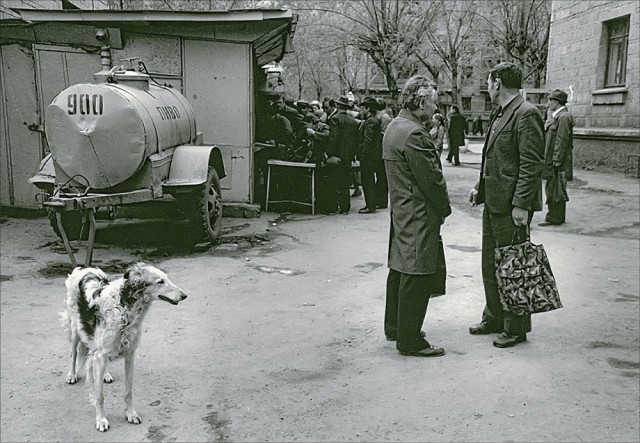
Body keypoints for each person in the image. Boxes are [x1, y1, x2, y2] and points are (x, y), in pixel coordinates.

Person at [468, 62, 545, 348]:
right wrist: (481, 187)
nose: (487, 88)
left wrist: (522, 205)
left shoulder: (527, 113)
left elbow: (531, 164)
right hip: (495, 202)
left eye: (489, 82)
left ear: (498, 83)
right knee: (491, 263)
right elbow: (494, 158)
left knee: (514, 265)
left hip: (512, 207)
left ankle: (516, 327)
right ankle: (495, 316)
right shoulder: (501, 113)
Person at [383, 75, 452, 357]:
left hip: (402, 209)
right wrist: (444, 209)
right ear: (421, 102)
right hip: (418, 211)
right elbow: (432, 180)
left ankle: (395, 327)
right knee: (417, 271)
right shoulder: (415, 133)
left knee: (400, 267)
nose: (436, 109)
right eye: (433, 103)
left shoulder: (395, 126)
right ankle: (409, 339)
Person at [540, 89, 573, 226]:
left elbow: (562, 140)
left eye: (550, 100)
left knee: (556, 188)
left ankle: (555, 217)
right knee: (552, 187)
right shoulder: (556, 116)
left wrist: (557, 161)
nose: (548, 103)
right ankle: (554, 216)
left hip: (557, 161)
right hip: (552, 159)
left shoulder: (564, 117)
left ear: (557, 102)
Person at [326, 95, 360, 214]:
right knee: (345, 181)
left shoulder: (335, 119)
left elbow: (333, 138)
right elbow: (356, 140)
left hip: (336, 155)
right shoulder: (354, 122)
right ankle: (345, 208)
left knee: (333, 181)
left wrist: (329, 153)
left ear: (337, 106)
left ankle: (333, 207)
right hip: (348, 156)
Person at [357, 97, 386, 214]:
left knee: (367, 181)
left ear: (368, 108)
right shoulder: (375, 120)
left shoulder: (370, 121)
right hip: (376, 155)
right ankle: (374, 203)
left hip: (369, 157)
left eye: (363, 108)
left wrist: (362, 154)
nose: (361, 110)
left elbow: (368, 140)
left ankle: (370, 205)